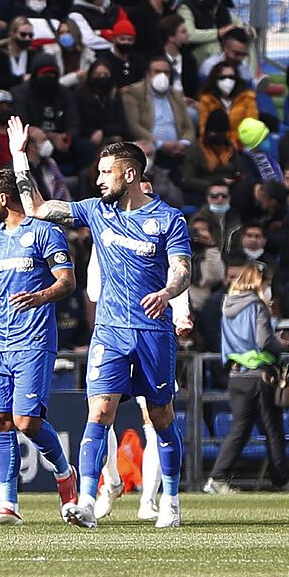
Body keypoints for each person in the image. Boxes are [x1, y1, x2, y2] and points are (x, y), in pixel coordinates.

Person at [14, 119, 192, 530]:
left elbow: (182, 271)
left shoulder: (169, 220)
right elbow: (38, 209)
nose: (97, 180)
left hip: (153, 332)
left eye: (104, 172)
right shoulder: (96, 211)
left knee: (161, 418)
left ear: (129, 175)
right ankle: (89, 502)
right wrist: (20, 157)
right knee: (100, 413)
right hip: (110, 331)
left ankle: (171, 499)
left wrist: (167, 293)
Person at [0, 168, 80, 525]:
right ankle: (9, 506)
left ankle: (65, 474)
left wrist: (40, 296)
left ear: (3, 198)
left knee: (27, 422)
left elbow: (67, 281)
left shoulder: (45, 232)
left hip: (33, 340)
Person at [204, 261, 289, 493]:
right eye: (267, 282)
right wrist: (280, 344)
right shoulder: (257, 306)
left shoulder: (227, 305)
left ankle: (218, 477)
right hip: (260, 373)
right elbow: (263, 340)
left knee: (240, 429)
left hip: (237, 374)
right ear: (259, 282)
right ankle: (281, 481)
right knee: (273, 428)